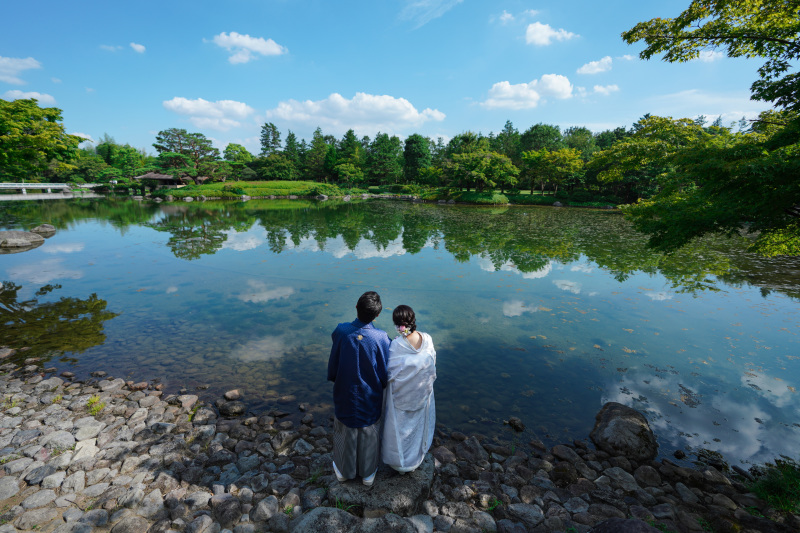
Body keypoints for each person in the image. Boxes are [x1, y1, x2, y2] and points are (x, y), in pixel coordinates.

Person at [327, 291, 391, 486]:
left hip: (345, 391)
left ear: (356, 307)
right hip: (369, 394)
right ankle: (368, 472)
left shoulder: (341, 331)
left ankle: (344, 471)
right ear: (377, 315)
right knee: (369, 431)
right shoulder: (381, 338)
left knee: (344, 430)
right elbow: (384, 370)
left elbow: (335, 361)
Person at [381, 304, 436, 473]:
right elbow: (432, 363)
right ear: (413, 320)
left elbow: (389, 372)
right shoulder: (427, 339)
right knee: (416, 427)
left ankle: (399, 462)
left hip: (402, 396)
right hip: (421, 394)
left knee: (400, 428)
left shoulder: (397, 345)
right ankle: (414, 460)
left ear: (397, 324)